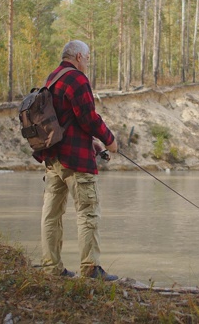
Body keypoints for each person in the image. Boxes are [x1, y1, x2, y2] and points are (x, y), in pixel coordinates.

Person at [33, 40, 119, 281]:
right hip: (76, 162)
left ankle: (51, 268)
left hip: (52, 159)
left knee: (51, 215)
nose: (88, 61)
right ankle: (91, 269)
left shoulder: (52, 78)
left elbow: (62, 120)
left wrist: (91, 142)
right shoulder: (77, 79)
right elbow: (89, 118)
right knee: (88, 213)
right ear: (79, 56)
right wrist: (110, 141)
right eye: (88, 57)